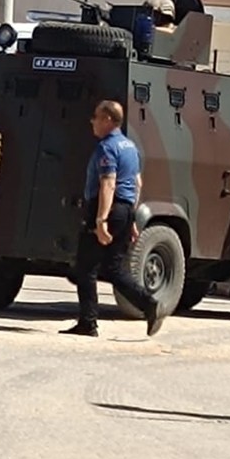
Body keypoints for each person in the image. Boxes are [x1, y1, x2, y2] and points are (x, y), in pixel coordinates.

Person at [61, 100, 165, 339]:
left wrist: (100, 220)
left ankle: (88, 322)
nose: (92, 121)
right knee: (114, 268)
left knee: (85, 267)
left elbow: (108, 183)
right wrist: (131, 220)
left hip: (107, 208)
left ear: (108, 119)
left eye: (96, 117)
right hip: (125, 209)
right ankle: (148, 304)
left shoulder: (107, 148)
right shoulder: (130, 147)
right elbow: (138, 184)